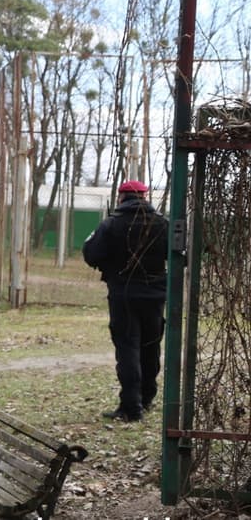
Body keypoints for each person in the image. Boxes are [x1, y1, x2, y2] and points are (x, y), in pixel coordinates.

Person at [82, 180, 168, 422]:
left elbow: (91, 254)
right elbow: (179, 253)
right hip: (156, 294)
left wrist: (111, 266)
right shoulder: (162, 223)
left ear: (121, 197)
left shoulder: (111, 224)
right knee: (151, 346)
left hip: (123, 294)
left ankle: (131, 406)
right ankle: (147, 397)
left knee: (128, 347)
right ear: (144, 197)